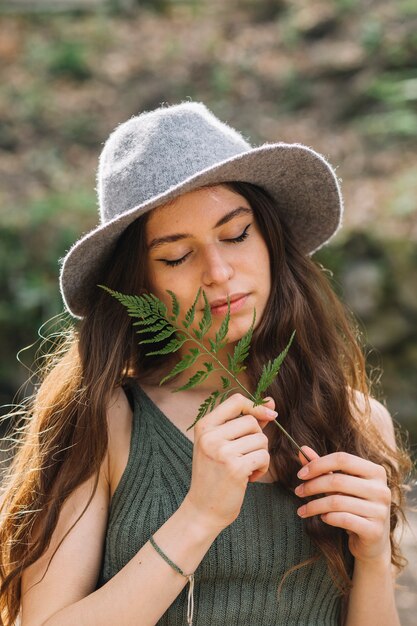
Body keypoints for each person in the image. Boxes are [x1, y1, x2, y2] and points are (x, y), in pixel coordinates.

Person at [0, 101, 412, 626]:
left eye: (236, 234)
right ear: (138, 284)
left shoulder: (356, 422)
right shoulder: (108, 418)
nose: (218, 271)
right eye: (176, 255)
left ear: (270, 240)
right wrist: (199, 516)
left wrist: (374, 560)